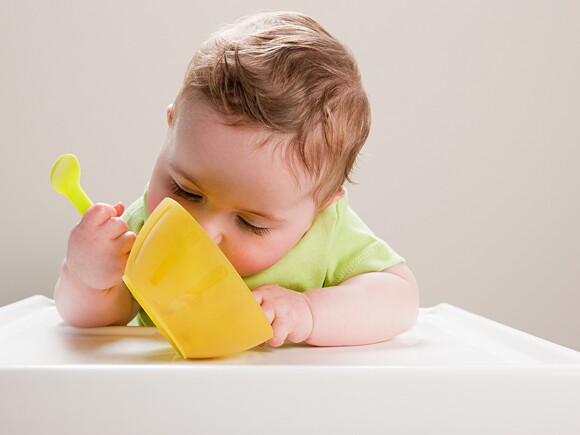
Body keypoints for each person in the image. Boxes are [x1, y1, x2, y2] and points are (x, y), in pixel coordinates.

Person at [54, 11, 419, 348]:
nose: (202, 231)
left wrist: (310, 312)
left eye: (250, 222)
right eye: (185, 191)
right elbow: (95, 322)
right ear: (171, 129)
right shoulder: (148, 227)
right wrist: (88, 276)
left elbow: (400, 298)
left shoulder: (328, 233)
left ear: (319, 207)